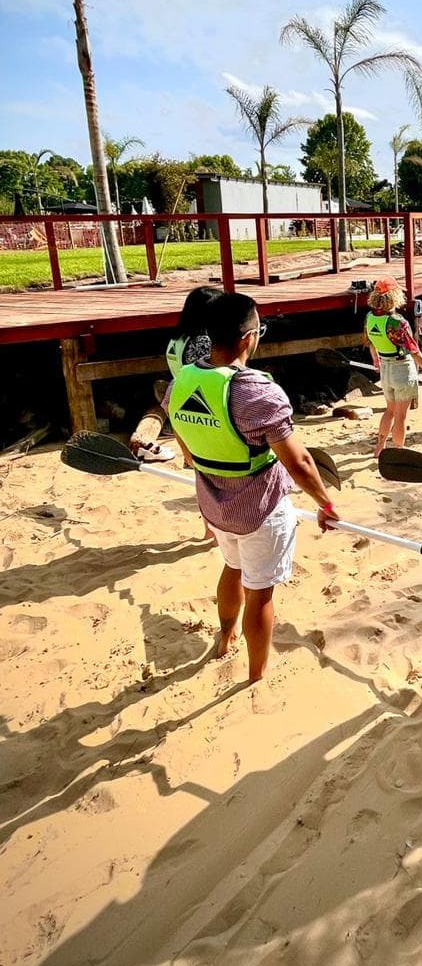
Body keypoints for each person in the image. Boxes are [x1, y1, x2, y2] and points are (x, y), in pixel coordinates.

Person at [166, 293, 338, 683]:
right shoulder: (256, 392)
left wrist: (201, 464)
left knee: (232, 567)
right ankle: (256, 674)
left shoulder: (182, 381)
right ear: (249, 338)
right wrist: (325, 503)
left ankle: (225, 638)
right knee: (259, 592)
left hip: (214, 506)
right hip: (260, 511)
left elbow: (182, 437)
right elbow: (300, 462)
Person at [130, 285, 221, 463]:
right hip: (199, 401)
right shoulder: (202, 341)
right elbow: (209, 375)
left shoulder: (177, 338)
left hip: (179, 391)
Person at [365, 278, 422, 458]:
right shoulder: (397, 322)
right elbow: (414, 350)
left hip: (385, 369)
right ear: (394, 296)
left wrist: (376, 360)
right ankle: (398, 451)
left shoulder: (369, 317)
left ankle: (379, 447)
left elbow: (371, 343)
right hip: (402, 368)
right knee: (401, 415)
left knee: (389, 410)